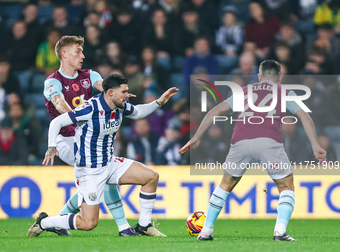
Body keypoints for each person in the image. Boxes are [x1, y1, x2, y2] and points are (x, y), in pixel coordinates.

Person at [179, 60, 326, 241]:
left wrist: (196, 136)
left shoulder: (244, 90)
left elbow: (214, 111)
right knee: (286, 186)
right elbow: (305, 117)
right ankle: (279, 232)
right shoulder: (286, 92)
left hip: (240, 141)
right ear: (280, 77)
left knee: (225, 185)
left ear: (258, 76)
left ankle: (205, 231)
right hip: (268, 140)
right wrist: (315, 145)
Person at [28, 74, 178, 237]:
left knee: (151, 177)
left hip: (110, 163)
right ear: (111, 93)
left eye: (127, 91)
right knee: (88, 223)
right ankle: (44, 222)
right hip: (89, 170)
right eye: (124, 92)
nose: (127, 95)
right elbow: (56, 122)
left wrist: (158, 102)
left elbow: (138, 112)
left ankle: (144, 226)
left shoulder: (120, 106)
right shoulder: (90, 108)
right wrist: (52, 146)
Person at [41, 35, 135, 236]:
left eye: (82, 51)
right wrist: (79, 120)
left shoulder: (90, 75)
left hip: (87, 138)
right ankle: (123, 227)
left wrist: (119, 94)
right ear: (64, 54)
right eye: (78, 51)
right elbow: (58, 103)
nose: (82, 56)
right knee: (103, 169)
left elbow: (105, 89)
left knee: (99, 174)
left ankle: (56, 221)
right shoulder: (53, 81)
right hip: (66, 140)